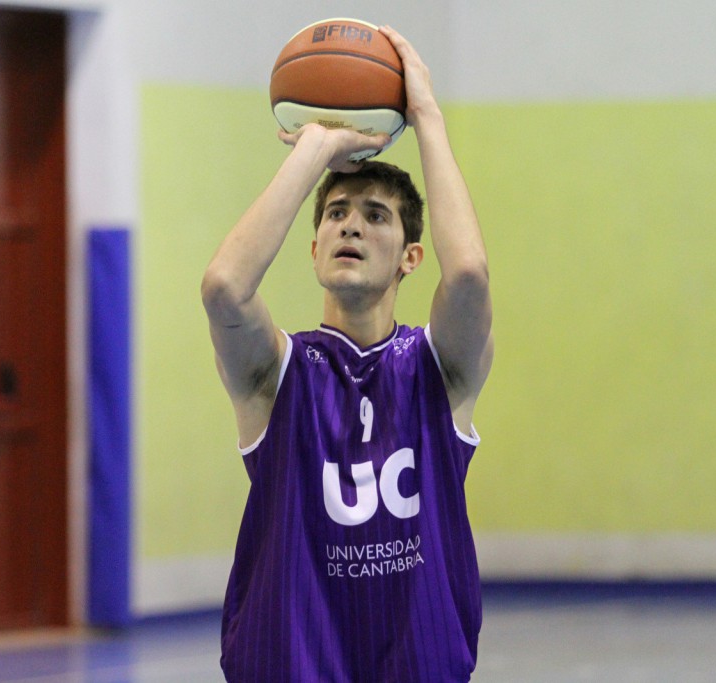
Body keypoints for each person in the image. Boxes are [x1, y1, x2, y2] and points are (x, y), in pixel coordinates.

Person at [201, 24, 493, 682]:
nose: (351, 224)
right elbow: (224, 287)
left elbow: (470, 274)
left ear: (411, 257)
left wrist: (427, 118)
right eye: (335, 213)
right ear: (313, 249)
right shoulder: (275, 378)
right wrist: (316, 150)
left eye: (375, 214)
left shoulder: (439, 368)